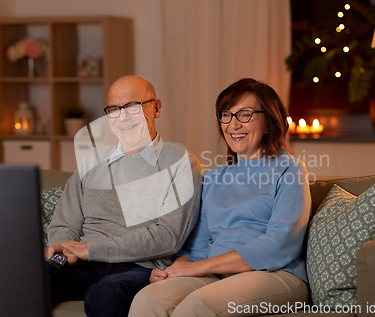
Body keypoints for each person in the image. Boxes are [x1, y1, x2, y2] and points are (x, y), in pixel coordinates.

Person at [129, 78, 311, 317]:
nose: (233, 125)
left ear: (268, 121)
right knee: (149, 299)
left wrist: (201, 267)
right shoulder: (214, 177)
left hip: (274, 274)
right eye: (226, 115)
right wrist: (175, 269)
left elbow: (279, 245)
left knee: (196, 308)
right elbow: (198, 246)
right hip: (215, 275)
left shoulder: (290, 170)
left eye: (245, 114)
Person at [45, 75, 203, 317]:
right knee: (23, 278)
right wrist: (65, 249)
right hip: (83, 264)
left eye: (132, 107)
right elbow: (64, 222)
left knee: (108, 293)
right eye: (114, 109)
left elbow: (168, 236)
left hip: (140, 266)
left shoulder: (181, 162)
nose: (122, 117)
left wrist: (91, 249)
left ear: (156, 108)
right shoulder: (91, 163)